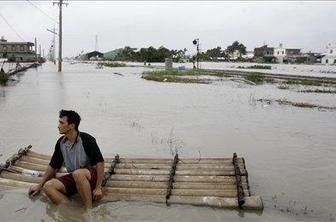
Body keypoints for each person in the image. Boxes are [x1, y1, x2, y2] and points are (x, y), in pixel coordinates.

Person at [28, 110, 105, 209]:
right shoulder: (61, 142)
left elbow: (100, 162)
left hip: (90, 177)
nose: (58, 125)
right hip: (74, 176)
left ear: (72, 125)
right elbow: (53, 166)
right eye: (59, 122)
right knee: (48, 186)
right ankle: (72, 210)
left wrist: (98, 187)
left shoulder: (87, 139)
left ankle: (88, 211)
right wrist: (39, 186)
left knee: (78, 174)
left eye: (62, 123)